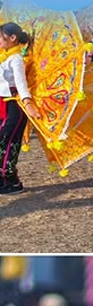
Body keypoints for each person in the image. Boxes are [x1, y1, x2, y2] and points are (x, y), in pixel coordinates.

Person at [0, 22, 39, 195]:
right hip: (2, 104)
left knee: (9, 142)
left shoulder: (16, 59)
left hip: (13, 107)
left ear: (12, 38)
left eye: (1, 37)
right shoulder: (4, 56)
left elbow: (21, 83)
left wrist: (28, 103)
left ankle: (10, 181)